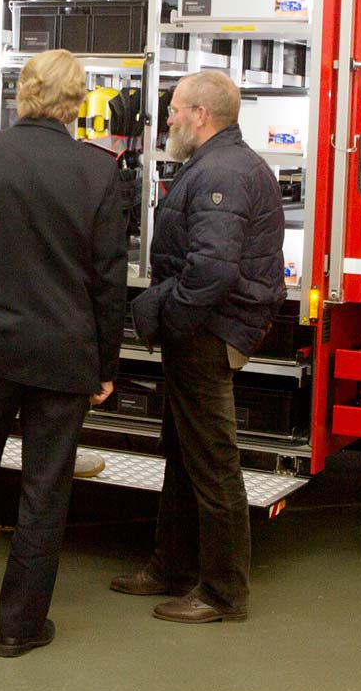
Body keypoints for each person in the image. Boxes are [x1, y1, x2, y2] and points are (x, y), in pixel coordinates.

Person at [0, 49, 126, 657]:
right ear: (77, 102)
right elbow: (107, 280)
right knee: (46, 487)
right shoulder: (98, 170)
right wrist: (105, 365)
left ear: (23, 93)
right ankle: (21, 625)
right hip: (64, 355)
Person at [111, 70, 286, 624]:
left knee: (212, 463)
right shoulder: (221, 164)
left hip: (206, 334)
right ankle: (172, 566)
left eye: (174, 110)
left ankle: (223, 592)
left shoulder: (221, 173)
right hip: (205, 329)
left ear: (200, 115)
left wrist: (171, 319)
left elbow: (211, 270)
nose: (167, 120)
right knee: (185, 455)